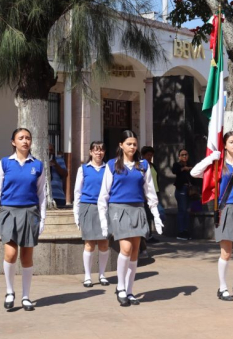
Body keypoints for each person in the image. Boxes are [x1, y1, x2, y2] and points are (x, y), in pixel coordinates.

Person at [98, 130, 163, 307]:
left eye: (134, 144)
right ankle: (120, 287)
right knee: (125, 249)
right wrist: (104, 221)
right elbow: (104, 194)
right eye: (129, 144)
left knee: (134, 251)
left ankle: (129, 290)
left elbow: (150, 192)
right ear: (121, 145)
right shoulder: (112, 165)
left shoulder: (143, 165)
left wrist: (156, 215)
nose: (132, 147)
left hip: (138, 209)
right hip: (119, 209)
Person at [191, 131, 233, 301]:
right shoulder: (217, 165)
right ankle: (222, 287)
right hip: (226, 209)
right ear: (225, 145)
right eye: (231, 142)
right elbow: (194, 172)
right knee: (226, 253)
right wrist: (211, 158)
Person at [0, 128, 46, 311]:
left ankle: (26, 296)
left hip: (29, 212)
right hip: (8, 212)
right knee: (11, 254)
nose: (25, 141)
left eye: (28, 138)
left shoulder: (37, 165)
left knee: (26, 256)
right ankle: (9, 291)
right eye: (21, 138)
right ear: (13, 142)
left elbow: (41, 194)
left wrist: (42, 217)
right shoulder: (5, 163)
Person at [73, 141, 110, 288]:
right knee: (89, 243)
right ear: (90, 152)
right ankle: (87, 276)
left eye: (101, 150)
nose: (98, 153)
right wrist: (76, 213)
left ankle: (102, 274)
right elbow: (77, 192)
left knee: (104, 243)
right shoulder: (83, 169)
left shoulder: (108, 169)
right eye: (95, 150)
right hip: (87, 207)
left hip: (104, 208)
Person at [172, 149, 193, 240]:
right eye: (182, 155)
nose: (184, 156)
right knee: (182, 210)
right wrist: (184, 169)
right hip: (181, 190)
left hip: (189, 190)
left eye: (186, 154)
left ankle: (186, 230)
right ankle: (181, 232)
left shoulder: (190, 165)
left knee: (187, 211)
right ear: (179, 156)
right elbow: (174, 171)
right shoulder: (177, 165)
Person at [49, 143, 68, 207]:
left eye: (51, 150)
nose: (49, 152)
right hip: (45, 197)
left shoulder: (59, 160)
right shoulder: (40, 161)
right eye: (48, 150)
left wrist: (55, 164)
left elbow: (65, 174)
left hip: (59, 196)